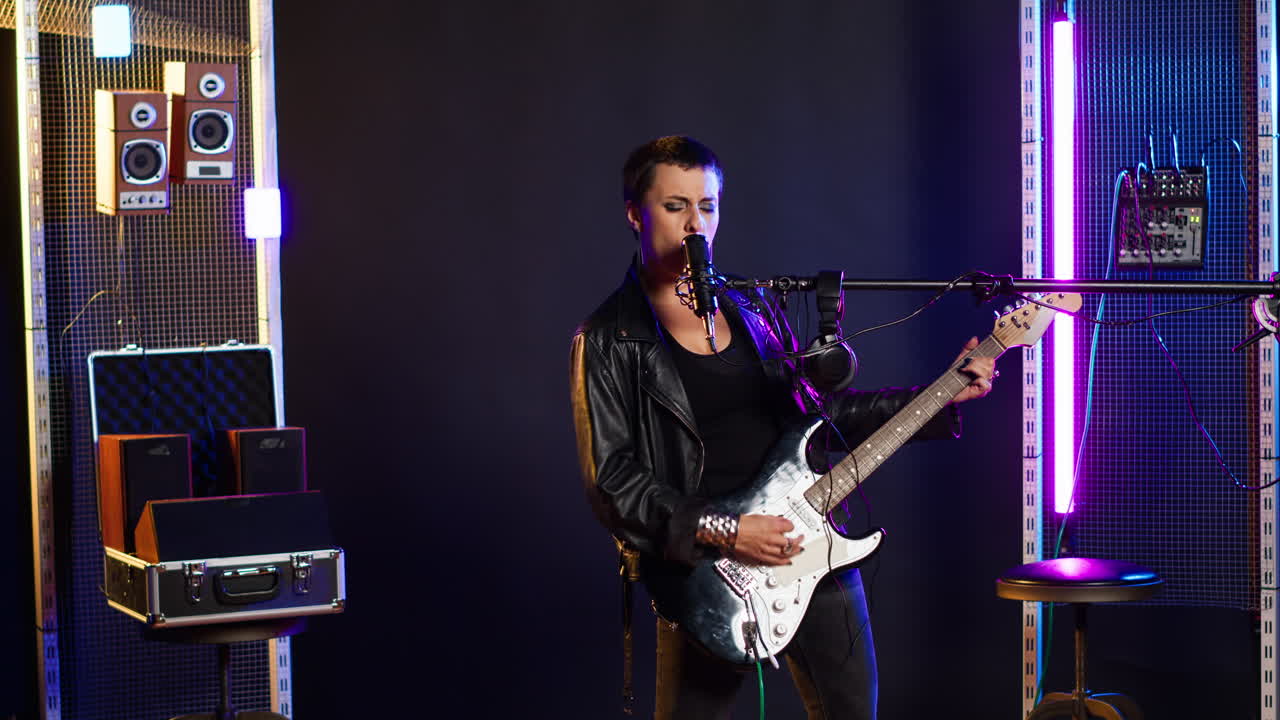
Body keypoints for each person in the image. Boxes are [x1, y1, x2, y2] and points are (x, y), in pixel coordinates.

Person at [568, 135, 996, 719]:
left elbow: (820, 420)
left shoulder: (750, 307)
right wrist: (728, 532)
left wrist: (941, 392)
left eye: (708, 206)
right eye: (675, 206)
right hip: (706, 575)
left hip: (809, 543)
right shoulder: (608, 338)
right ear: (634, 215)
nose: (695, 225)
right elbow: (613, 483)